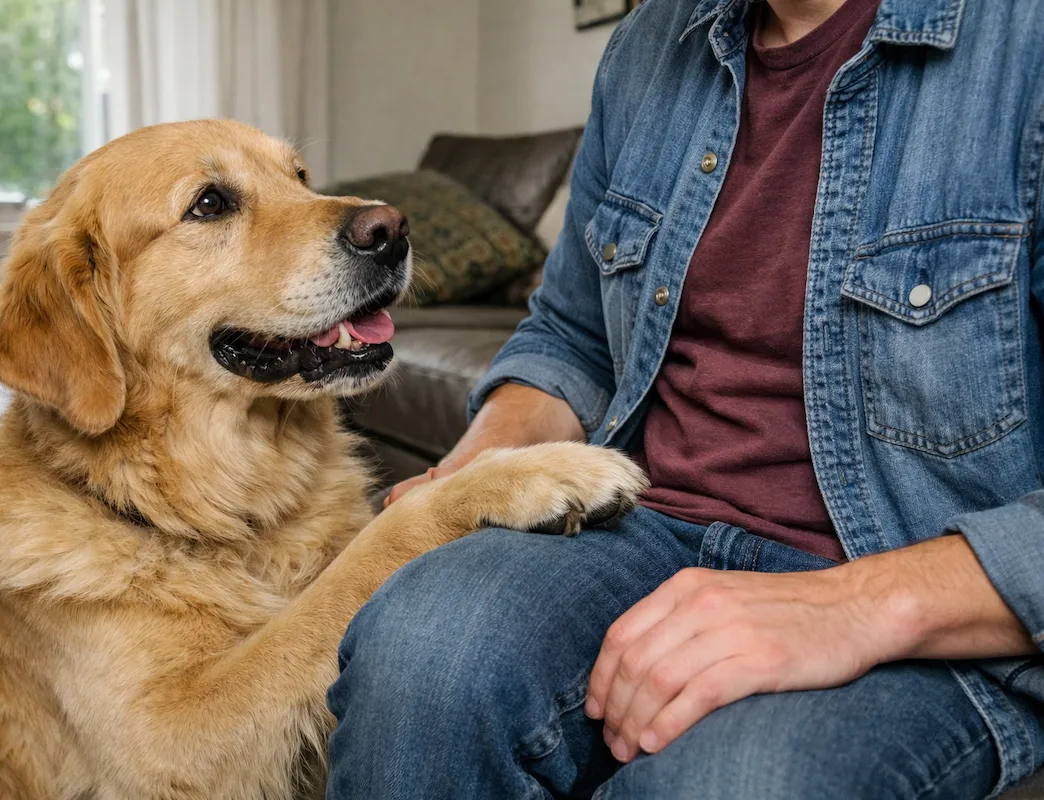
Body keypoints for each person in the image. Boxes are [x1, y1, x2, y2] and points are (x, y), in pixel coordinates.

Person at [325, 0, 1044, 796]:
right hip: (648, 522)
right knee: (417, 645)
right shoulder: (647, 47)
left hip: (918, 579)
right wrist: (472, 473)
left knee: (733, 782)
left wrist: (850, 607)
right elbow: (572, 333)